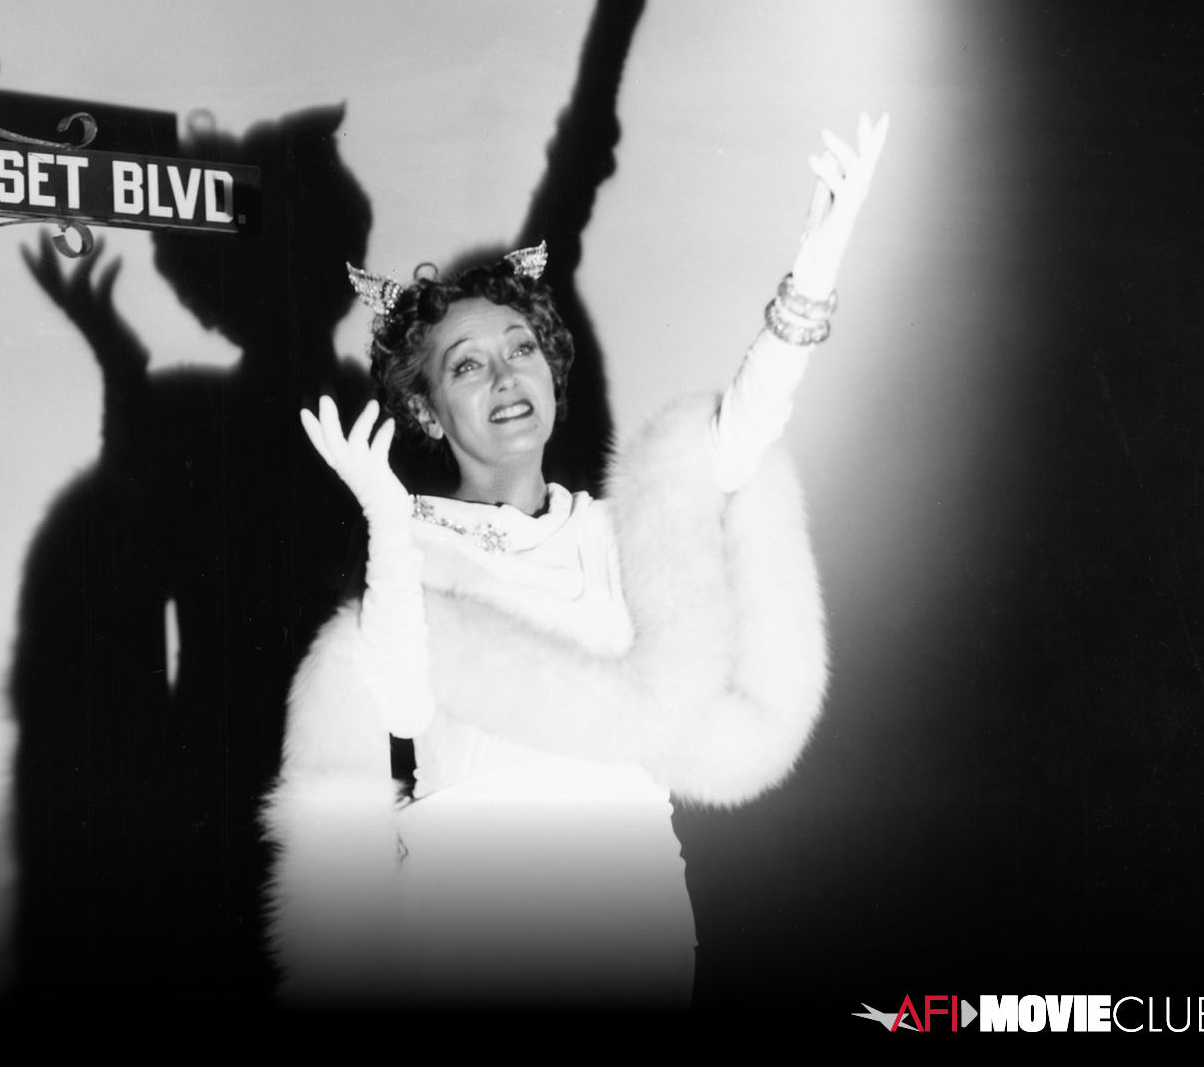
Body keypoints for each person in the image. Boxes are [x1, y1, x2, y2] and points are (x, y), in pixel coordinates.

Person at [263, 113, 890, 1005]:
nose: (506, 377)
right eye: (467, 366)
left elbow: (739, 435)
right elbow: (398, 700)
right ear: (427, 410)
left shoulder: (622, 530)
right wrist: (387, 522)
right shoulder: (411, 545)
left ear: (552, 374)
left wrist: (816, 269)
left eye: (521, 350)